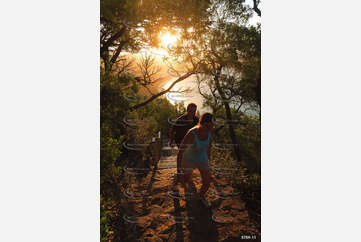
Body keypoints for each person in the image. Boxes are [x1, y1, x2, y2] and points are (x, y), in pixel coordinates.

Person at [175, 113, 215, 207]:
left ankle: (200, 197)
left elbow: (208, 149)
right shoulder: (192, 134)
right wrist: (178, 169)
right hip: (189, 158)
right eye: (207, 126)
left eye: (211, 126)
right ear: (201, 123)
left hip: (202, 158)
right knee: (186, 179)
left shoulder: (209, 133)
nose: (210, 128)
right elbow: (181, 151)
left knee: (207, 182)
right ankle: (179, 180)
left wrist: (208, 165)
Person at [169, 103, 199, 172]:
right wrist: (171, 141)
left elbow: (200, 130)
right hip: (180, 140)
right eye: (191, 111)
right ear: (187, 110)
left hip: (191, 142)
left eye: (194, 111)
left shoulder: (197, 120)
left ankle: (187, 169)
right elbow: (173, 130)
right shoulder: (181, 119)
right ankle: (179, 170)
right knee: (182, 154)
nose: (193, 113)